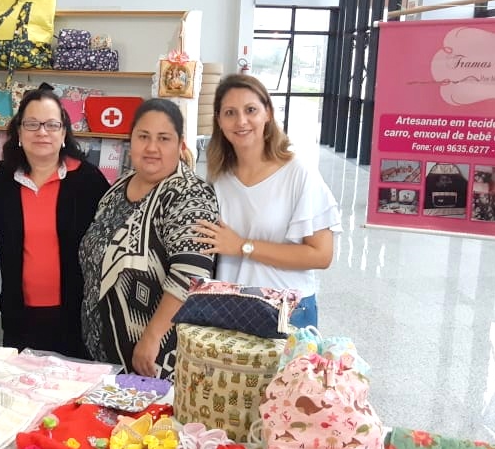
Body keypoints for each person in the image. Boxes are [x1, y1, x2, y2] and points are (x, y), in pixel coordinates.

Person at [79, 98, 218, 379]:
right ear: (131, 141)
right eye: (143, 136)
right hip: (104, 359)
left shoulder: (190, 194)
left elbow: (191, 274)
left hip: (156, 359)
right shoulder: (117, 188)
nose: (152, 148)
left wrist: (152, 337)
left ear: (180, 146)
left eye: (163, 139)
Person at [193, 74, 340, 328]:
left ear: (268, 113)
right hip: (231, 310)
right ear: (219, 120)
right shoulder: (219, 177)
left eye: (251, 110)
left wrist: (243, 246)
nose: (241, 121)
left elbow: (321, 255)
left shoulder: (297, 173)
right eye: (230, 112)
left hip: (288, 311)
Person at [0, 84, 109, 358]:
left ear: (64, 132)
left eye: (52, 124)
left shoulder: (88, 181)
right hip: (19, 317)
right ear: (19, 132)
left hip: (76, 318)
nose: (42, 132)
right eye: (32, 124)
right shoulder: (2, 183)